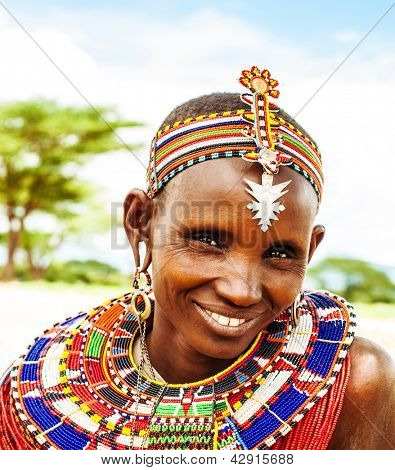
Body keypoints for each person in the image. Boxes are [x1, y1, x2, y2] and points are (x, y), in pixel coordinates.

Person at [0, 66, 394, 450]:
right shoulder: (36, 390)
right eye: (207, 240)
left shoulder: (353, 381)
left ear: (310, 251)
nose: (242, 291)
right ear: (141, 224)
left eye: (279, 252)